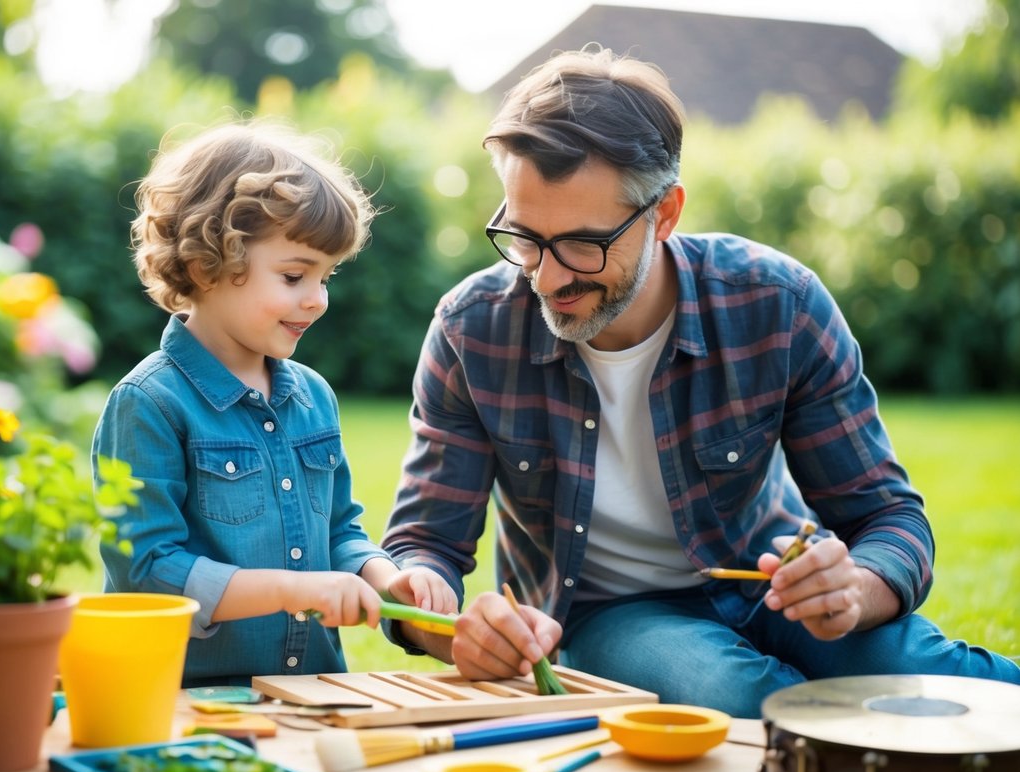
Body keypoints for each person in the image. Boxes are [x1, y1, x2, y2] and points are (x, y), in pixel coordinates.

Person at [382, 46, 1020, 717]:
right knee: (746, 701)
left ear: (664, 214)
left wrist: (855, 589)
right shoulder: (470, 331)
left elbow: (885, 515)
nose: (545, 277)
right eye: (522, 236)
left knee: (937, 680)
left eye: (581, 245)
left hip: (771, 587)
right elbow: (423, 546)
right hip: (605, 616)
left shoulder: (777, 303)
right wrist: (448, 629)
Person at [93, 120, 456, 688]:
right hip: (190, 706)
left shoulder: (313, 398)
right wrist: (294, 590)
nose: (317, 300)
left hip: (311, 696)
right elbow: (147, 572)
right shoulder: (149, 404)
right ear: (205, 264)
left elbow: (338, 532)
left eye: (326, 277)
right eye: (293, 276)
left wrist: (386, 578)